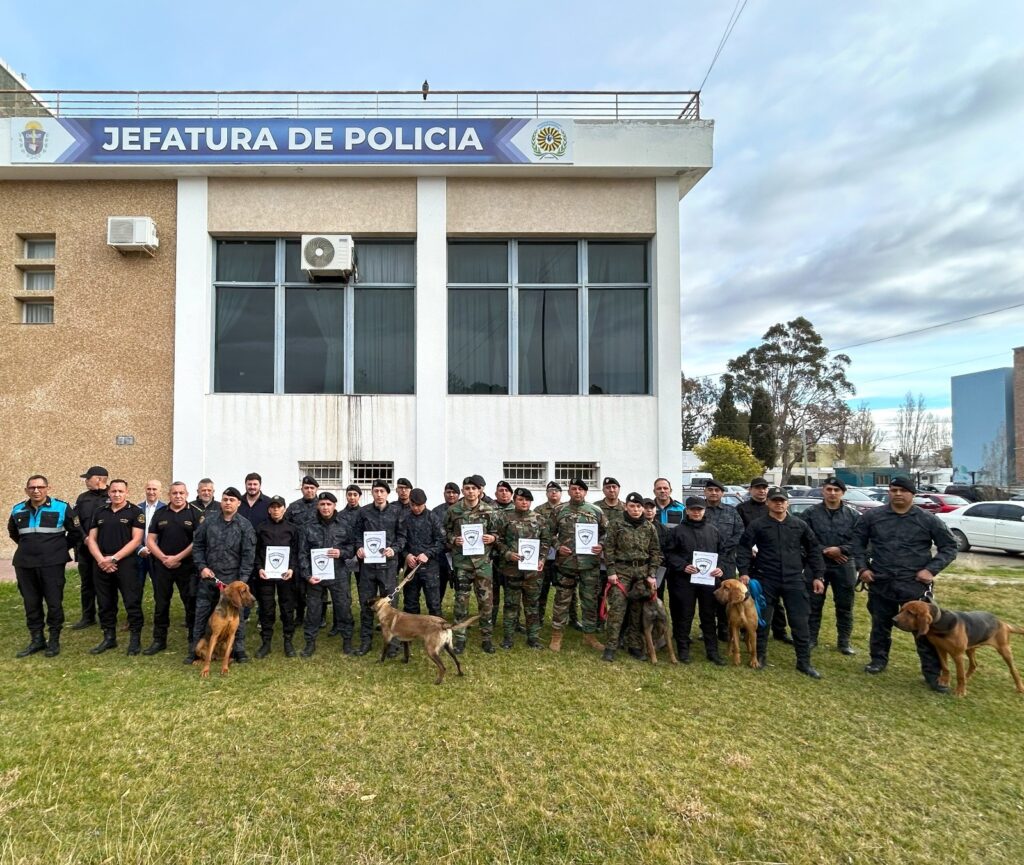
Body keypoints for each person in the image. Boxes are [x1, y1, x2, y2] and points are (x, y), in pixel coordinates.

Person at [853, 475, 958, 693]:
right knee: (880, 625)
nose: (898, 494)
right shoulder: (873, 517)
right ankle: (878, 660)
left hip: (914, 584)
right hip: (881, 581)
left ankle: (932, 673)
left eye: (903, 490)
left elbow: (949, 546)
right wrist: (862, 568)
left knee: (923, 630)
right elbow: (857, 544)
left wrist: (931, 570)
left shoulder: (927, 519)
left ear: (913, 494)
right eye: (894, 490)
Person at [736, 487, 825, 678]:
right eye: (775, 500)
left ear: (787, 503)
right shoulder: (758, 525)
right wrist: (743, 572)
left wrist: (818, 576)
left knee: (800, 621)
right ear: (768, 503)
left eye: (782, 501)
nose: (779, 504)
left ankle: (804, 662)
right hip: (766, 578)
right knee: (763, 621)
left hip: (794, 579)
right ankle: (759, 657)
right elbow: (743, 548)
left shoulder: (799, 525)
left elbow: (814, 550)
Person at [8, 475, 82, 658]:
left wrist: (58, 549)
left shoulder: (61, 507)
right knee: (31, 603)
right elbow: (14, 533)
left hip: (52, 564)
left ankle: (54, 640)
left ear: (48, 488)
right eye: (32, 488)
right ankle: (37, 639)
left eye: (40, 487)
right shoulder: (17, 509)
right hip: (25, 564)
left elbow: (76, 532)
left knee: (54, 603)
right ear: (26, 490)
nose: (36, 491)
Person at [189, 486, 256, 664]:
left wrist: (242, 580)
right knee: (202, 614)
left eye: (232, 500)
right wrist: (202, 567)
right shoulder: (209, 521)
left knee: (236, 616)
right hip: (209, 578)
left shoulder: (245, 525)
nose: (228, 503)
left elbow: (248, 555)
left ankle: (238, 650)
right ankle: (195, 651)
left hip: (232, 581)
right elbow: (198, 546)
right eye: (225, 499)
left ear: (238, 503)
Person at [662, 496, 727, 665]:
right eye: (693, 509)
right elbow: (668, 553)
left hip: (708, 581)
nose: (696, 512)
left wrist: (720, 567)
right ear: (687, 511)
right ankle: (683, 650)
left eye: (700, 509)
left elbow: (722, 553)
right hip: (684, 581)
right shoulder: (677, 531)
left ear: (704, 511)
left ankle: (712, 651)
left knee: (708, 615)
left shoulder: (713, 531)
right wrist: (683, 566)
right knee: (684, 615)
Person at [84, 479, 146, 655]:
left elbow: (136, 540)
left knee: (132, 601)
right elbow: (91, 539)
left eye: (120, 491)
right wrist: (101, 560)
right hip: (101, 563)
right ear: (109, 492)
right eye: (113, 491)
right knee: (105, 603)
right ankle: (109, 638)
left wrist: (114, 558)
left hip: (126, 563)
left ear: (127, 492)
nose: (117, 494)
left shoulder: (136, 512)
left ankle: (135, 639)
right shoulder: (99, 511)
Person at [144, 481, 204, 656]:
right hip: (162, 566)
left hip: (187, 567)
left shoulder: (196, 513)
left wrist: (177, 558)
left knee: (190, 603)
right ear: (169, 495)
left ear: (187, 494)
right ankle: (159, 640)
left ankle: (193, 640)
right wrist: (164, 558)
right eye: (174, 493)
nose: (178, 496)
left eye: (181, 493)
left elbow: (198, 541)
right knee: (161, 604)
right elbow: (150, 540)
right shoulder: (160, 513)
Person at [601, 492, 662, 662]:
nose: (635, 509)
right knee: (617, 609)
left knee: (638, 611)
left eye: (638, 506)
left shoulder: (649, 527)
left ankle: (634, 644)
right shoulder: (616, 524)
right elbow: (609, 549)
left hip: (642, 573)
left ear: (643, 508)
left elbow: (655, 552)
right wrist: (611, 572)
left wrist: (651, 574)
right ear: (626, 507)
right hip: (621, 572)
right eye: (632, 506)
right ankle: (611, 646)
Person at [802, 477, 859, 655]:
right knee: (813, 604)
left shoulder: (853, 515)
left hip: (844, 564)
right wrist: (826, 551)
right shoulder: (810, 513)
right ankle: (811, 638)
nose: (832, 493)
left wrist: (841, 550)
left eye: (836, 490)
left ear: (843, 493)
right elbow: (804, 539)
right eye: (829, 489)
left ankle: (844, 642)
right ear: (823, 491)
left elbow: (861, 541)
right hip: (816, 564)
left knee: (845, 605)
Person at [551, 478, 607, 652]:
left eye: (580, 489)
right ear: (569, 491)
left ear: (585, 492)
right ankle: (557, 635)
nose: (577, 492)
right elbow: (549, 533)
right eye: (574, 489)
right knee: (562, 600)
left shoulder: (595, 511)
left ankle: (589, 635)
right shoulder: (559, 510)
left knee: (590, 601)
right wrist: (558, 546)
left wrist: (601, 545)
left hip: (589, 565)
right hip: (566, 564)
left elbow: (607, 533)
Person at [352, 480, 407, 657]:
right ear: (372, 493)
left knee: (390, 605)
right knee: (366, 603)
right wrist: (359, 547)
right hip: (368, 567)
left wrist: (394, 549)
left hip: (388, 566)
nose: (379, 494)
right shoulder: (363, 512)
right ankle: (366, 641)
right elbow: (356, 535)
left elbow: (402, 536)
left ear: (387, 493)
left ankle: (393, 644)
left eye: (382, 491)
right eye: (376, 491)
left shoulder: (397, 512)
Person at [444, 476, 498, 654]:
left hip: (483, 564)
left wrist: (493, 538)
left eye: (474, 488)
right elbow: (445, 531)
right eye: (467, 488)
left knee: (486, 603)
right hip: (462, 564)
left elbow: (498, 532)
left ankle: (487, 639)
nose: (470, 491)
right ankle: (459, 639)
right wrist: (454, 539)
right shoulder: (453, 510)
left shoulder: (489, 510)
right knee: (461, 602)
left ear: (479, 490)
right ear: (463, 490)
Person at [492, 487, 551, 649]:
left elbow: (546, 541)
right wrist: (507, 553)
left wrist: (542, 558)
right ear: (514, 501)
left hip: (533, 572)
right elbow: (497, 540)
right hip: (512, 569)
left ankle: (533, 638)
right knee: (511, 605)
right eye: (520, 499)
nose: (524, 502)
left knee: (532, 605)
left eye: (527, 500)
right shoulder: (504, 517)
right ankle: (508, 638)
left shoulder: (539, 519)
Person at [297, 492, 356, 656]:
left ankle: (347, 641)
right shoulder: (308, 526)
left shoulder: (344, 524)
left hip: (339, 574)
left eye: (329, 504)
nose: (325, 507)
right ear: (318, 505)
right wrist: (307, 575)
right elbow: (302, 553)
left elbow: (352, 547)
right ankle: (310, 643)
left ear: (334, 506)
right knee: (313, 610)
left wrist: (341, 552)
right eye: (322, 504)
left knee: (343, 607)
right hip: (315, 576)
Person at [736, 476, 793, 645]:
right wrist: (748, 548)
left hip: (771, 560)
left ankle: (780, 630)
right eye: (758, 488)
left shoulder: (776, 507)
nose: (761, 490)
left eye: (764, 488)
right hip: (751, 558)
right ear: (750, 490)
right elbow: (739, 531)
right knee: (750, 595)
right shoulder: (741, 509)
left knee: (775, 598)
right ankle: (747, 628)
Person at [254, 495, 301, 658]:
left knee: (287, 608)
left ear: (284, 509)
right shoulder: (261, 528)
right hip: (266, 575)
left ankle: (288, 641)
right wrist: (259, 568)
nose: (276, 510)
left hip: (286, 575)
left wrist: (292, 568)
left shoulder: (292, 528)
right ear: (269, 509)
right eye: (273, 507)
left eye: (279, 507)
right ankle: (266, 642)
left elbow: (296, 552)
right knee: (266, 608)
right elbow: (256, 551)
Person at [701, 479, 743, 641]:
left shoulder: (731, 511)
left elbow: (740, 532)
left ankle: (725, 629)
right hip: (705, 560)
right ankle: (707, 629)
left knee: (727, 597)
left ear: (722, 493)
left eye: (717, 490)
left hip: (727, 561)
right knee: (707, 597)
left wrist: (724, 547)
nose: (713, 493)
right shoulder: (698, 510)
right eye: (710, 490)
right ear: (705, 492)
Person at [71, 465, 109, 630]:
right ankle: (88, 616)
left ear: (99, 479)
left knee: (106, 584)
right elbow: (75, 520)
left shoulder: (112, 495)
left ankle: (107, 616)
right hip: (85, 548)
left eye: (88, 478)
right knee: (87, 583)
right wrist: (84, 537)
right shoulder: (82, 498)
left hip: (106, 549)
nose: (86, 481)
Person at [402, 488, 446, 618]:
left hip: (430, 568)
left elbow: (441, 541)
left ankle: (437, 628)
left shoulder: (433, 518)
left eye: (419, 505)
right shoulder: (405, 518)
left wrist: (428, 554)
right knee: (410, 604)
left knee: (434, 604)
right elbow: (400, 541)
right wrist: (407, 555)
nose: (416, 508)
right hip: (411, 567)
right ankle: (411, 629)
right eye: (413, 505)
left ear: (424, 503)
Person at [490, 480, 515, 629]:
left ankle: (513, 622)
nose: (504, 493)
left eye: (507, 490)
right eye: (501, 490)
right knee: (492, 592)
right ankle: (490, 620)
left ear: (511, 494)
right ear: (496, 493)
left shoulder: (517, 508)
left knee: (512, 592)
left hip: (511, 559)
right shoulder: (488, 509)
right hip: (492, 558)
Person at [432, 482, 460, 603]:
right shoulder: (436, 511)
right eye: (448, 492)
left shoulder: (464, 510)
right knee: (439, 585)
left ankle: (460, 611)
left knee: (461, 586)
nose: (451, 495)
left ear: (459, 494)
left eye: (454, 492)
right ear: (444, 494)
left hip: (460, 554)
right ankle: (436, 610)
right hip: (441, 555)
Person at [135, 480, 166, 590]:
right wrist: (139, 548)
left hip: (158, 555)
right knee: (136, 588)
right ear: (145, 490)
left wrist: (155, 549)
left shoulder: (166, 509)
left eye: (154, 489)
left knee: (160, 588)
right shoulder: (137, 509)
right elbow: (131, 532)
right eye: (149, 489)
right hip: (139, 554)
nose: (151, 492)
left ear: (160, 491)